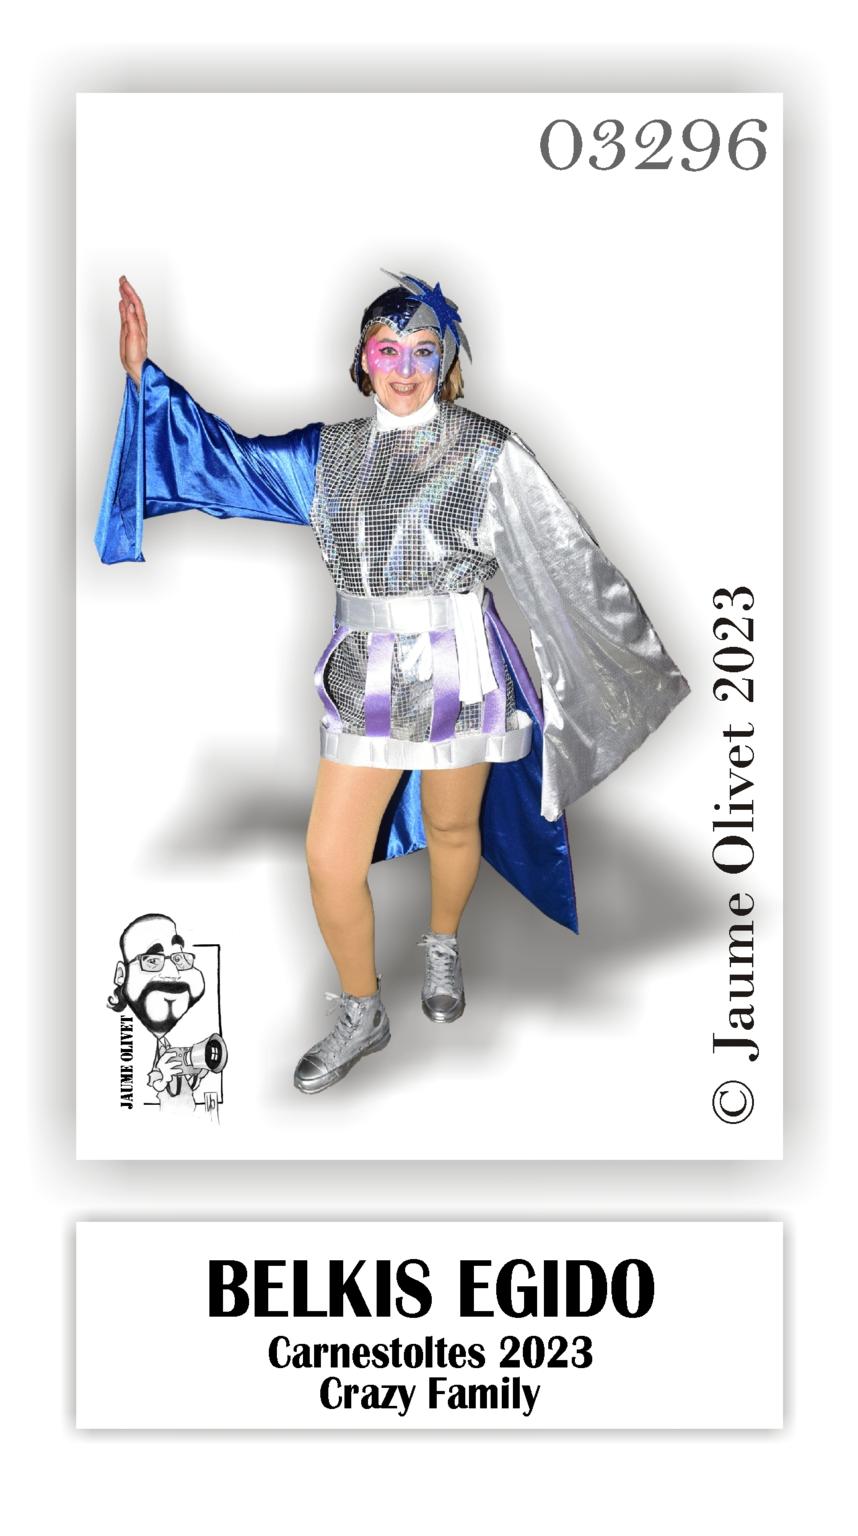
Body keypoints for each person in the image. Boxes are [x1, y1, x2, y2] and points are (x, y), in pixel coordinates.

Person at [96, 270, 689, 1095]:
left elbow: (564, 553)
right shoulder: (326, 456)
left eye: (422, 351)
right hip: (364, 683)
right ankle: (362, 1010)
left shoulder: (487, 451)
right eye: (387, 350)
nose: (404, 369)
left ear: (446, 363)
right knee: (328, 857)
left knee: (452, 826)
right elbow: (223, 459)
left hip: (463, 678)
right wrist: (143, 378)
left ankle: (442, 943)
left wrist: (612, 660)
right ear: (362, 360)